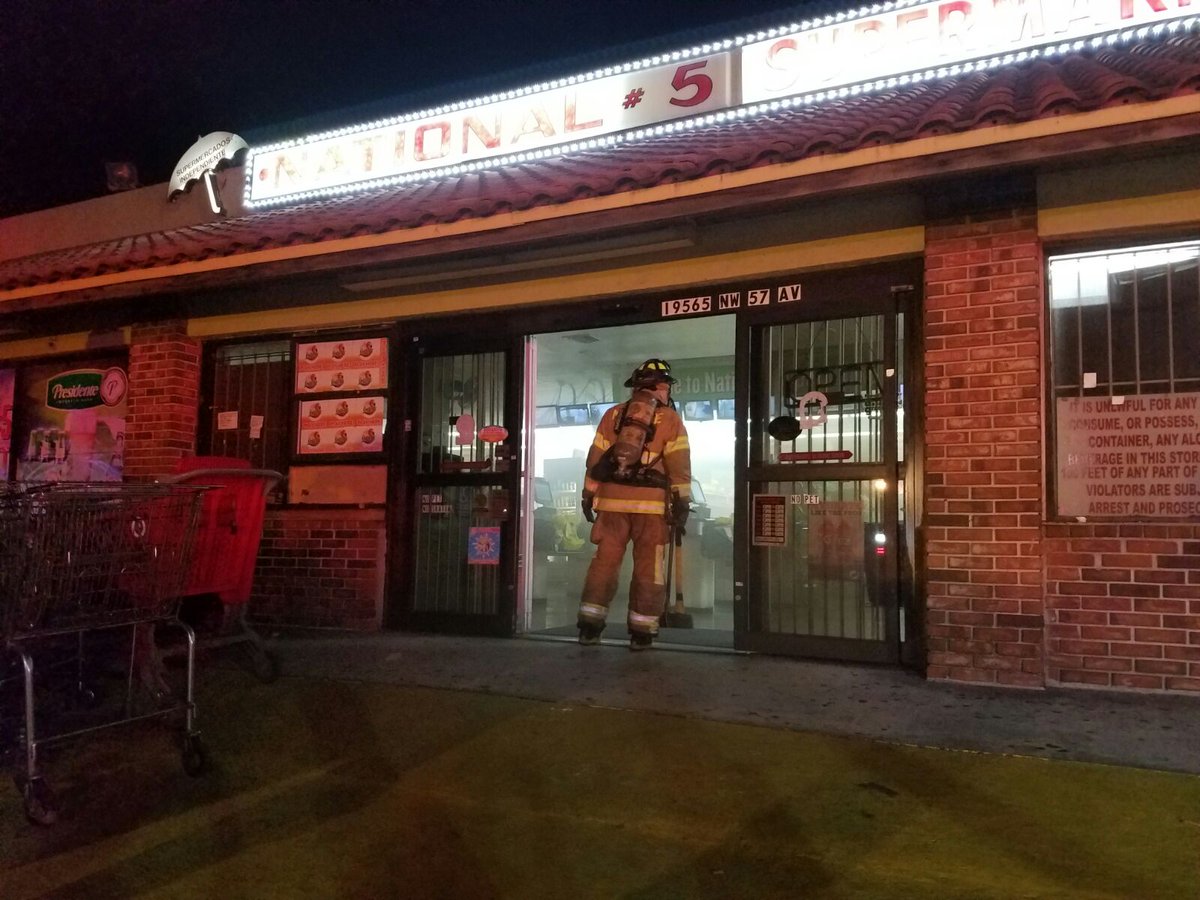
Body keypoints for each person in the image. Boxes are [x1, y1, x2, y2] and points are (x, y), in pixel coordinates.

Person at [576, 359, 691, 650]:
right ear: (661, 386)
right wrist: (682, 503)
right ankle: (641, 631)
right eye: (666, 385)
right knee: (648, 568)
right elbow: (679, 466)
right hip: (651, 509)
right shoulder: (670, 420)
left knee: (604, 564)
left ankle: (590, 626)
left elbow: (595, 460)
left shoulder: (613, 415)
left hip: (612, 504)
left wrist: (588, 494)